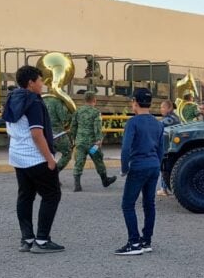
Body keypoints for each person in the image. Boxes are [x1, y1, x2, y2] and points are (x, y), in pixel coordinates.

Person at [2, 65, 63, 253]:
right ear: (31, 83)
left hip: (17, 156)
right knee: (52, 195)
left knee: (25, 196)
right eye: (40, 80)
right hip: (36, 157)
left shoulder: (12, 98)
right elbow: (37, 133)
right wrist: (50, 159)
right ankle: (42, 241)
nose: (42, 84)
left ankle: (27, 239)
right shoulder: (34, 102)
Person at [115, 88, 164, 255]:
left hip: (138, 166)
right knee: (149, 204)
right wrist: (157, 164)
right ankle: (146, 240)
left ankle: (133, 242)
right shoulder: (158, 123)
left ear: (135, 102)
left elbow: (126, 148)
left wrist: (124, 168)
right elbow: (161, 148)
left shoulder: (133, 123)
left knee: (128, 204)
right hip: (154, 165)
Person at [70, 91, 117, 192]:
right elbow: (97, 128)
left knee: (79, 162)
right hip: (92, 144)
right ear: (94, 100)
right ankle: (105, 181)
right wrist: (99, 139)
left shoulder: (78, 111)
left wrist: (74, 139)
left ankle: (77, 185)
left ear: (85, 100)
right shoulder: (96, 112)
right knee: (98, 161)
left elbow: (73, 127)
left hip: (80, 143)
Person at [44, 92, 75, 172]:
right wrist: (71, 116)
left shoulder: (41, 100)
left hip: (43, 134)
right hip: (58, 134)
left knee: (47, 155)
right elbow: (64, 118)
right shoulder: (57, 101)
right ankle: (54, 174)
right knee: (67, 153)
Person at [156, 99, 180, 197]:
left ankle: (164, 189)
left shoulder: (170, 119)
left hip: (169, 146)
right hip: (174, 146)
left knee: (165, 168)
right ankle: (166, 188)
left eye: (163, 107)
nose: (161, 109)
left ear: (169, 108)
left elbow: (158, 127)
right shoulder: (174, 117)